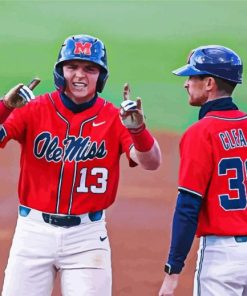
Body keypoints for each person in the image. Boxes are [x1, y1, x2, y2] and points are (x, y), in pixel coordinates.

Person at [0, 34, 161, 296]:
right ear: (60, 72)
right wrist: (5, 107)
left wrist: (139, 130)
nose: (80, 75)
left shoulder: (114, 117)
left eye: (90, 68)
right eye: (72, 66)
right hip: (33, 233)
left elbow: (152, 162)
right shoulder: (34, 108)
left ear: (101, 76)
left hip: (87, 238)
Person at [159, 45, 247, 296]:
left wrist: (172, 270)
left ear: (209, 83)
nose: (186, 84)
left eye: (191, 77)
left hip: (223, 259)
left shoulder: (200, 133)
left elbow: (188, 205)